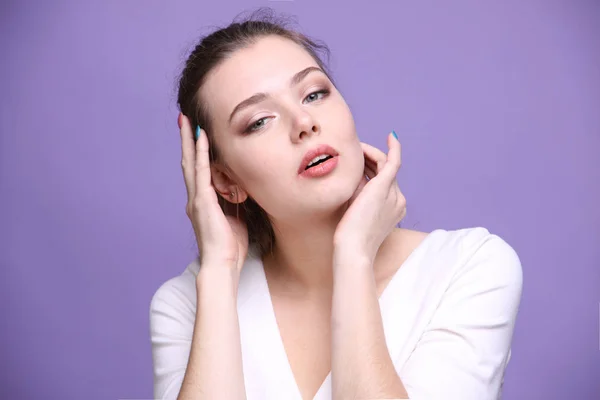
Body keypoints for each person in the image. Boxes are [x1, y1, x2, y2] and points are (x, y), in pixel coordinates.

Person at [149, 8, 523, 400]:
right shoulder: (187, 303)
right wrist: (220, 273)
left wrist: (353, 258)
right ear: (225, 181)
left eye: (314, 93)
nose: (304, 122)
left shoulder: (469, 267)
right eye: (260, 120)